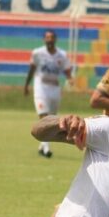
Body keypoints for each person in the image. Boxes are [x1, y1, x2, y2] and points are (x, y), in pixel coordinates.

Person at [23, 29, 73, 158]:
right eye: (47, 37)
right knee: (43, 116)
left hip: (54, 87)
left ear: (55, 39)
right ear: (44, 40)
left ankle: (41, 146)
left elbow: (66, 69)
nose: (49, 40)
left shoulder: (62, 55)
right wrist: (26, 85)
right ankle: (46, 149)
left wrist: (70, 79)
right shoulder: (37, 53)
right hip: (40, 85)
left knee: (51, 118)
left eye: (52, 37)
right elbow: (32, 69)